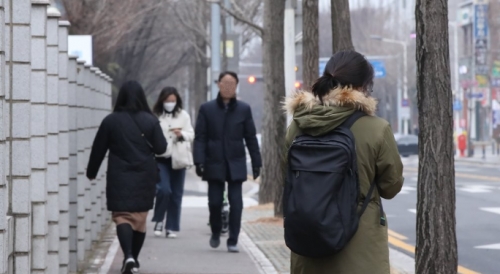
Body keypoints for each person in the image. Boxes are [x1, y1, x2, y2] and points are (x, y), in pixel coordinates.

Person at [283, 51, 403, 274]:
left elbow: (287, 179)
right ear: (363, 87)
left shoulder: (298, 126)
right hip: (360, 249)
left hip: (307, 243)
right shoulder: (377, 129)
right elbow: (390, 187)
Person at [86, 81, 167, 274]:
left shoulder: (111, 121)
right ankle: (133, 259)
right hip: (144, 175)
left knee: (122, 216)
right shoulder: (150, 120)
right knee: (139, 218)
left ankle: (129, 255)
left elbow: (99, 148)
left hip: (119, 175)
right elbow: (161, 148)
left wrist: (92, 171)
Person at [193, 71, 262, 253]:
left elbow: (251, 138)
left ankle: (233, 239)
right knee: (214, 202)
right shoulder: (207, 109)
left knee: (236, 203)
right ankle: (216, 230)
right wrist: (199, 161)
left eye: (232, 83)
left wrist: (256, 162)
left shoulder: (243, 109)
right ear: (218, 84)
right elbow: (200, 137)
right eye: (225, 82)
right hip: (214, 161)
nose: (228, 86)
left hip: (236, 162)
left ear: (237, 85)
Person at [151, 87, 194, 238]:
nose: (170, 104)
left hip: (178, 158)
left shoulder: (183, 115)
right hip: (160, 158)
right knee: (163, 190)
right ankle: (159, 219)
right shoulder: (155, 116)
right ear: (162, 101)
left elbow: (191, 134)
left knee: (176, 194)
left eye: (173, 101)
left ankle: (172, 227)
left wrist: (180, 134)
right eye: (167, 101)